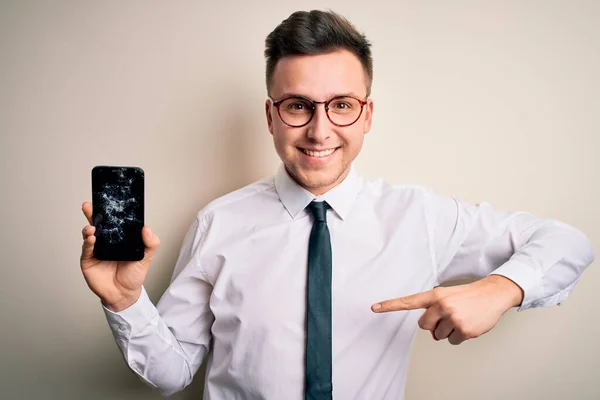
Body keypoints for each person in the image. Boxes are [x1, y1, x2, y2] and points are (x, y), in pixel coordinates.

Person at [79, 9, 594, 400]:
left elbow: (568, 242)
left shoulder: (420, 217)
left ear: (367, 115)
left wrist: (502, 288)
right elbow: (171, 375)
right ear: (271, 116)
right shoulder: (219, 222)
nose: (320, 130)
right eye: (298, 106)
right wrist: (125, 301)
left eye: (342, 105)